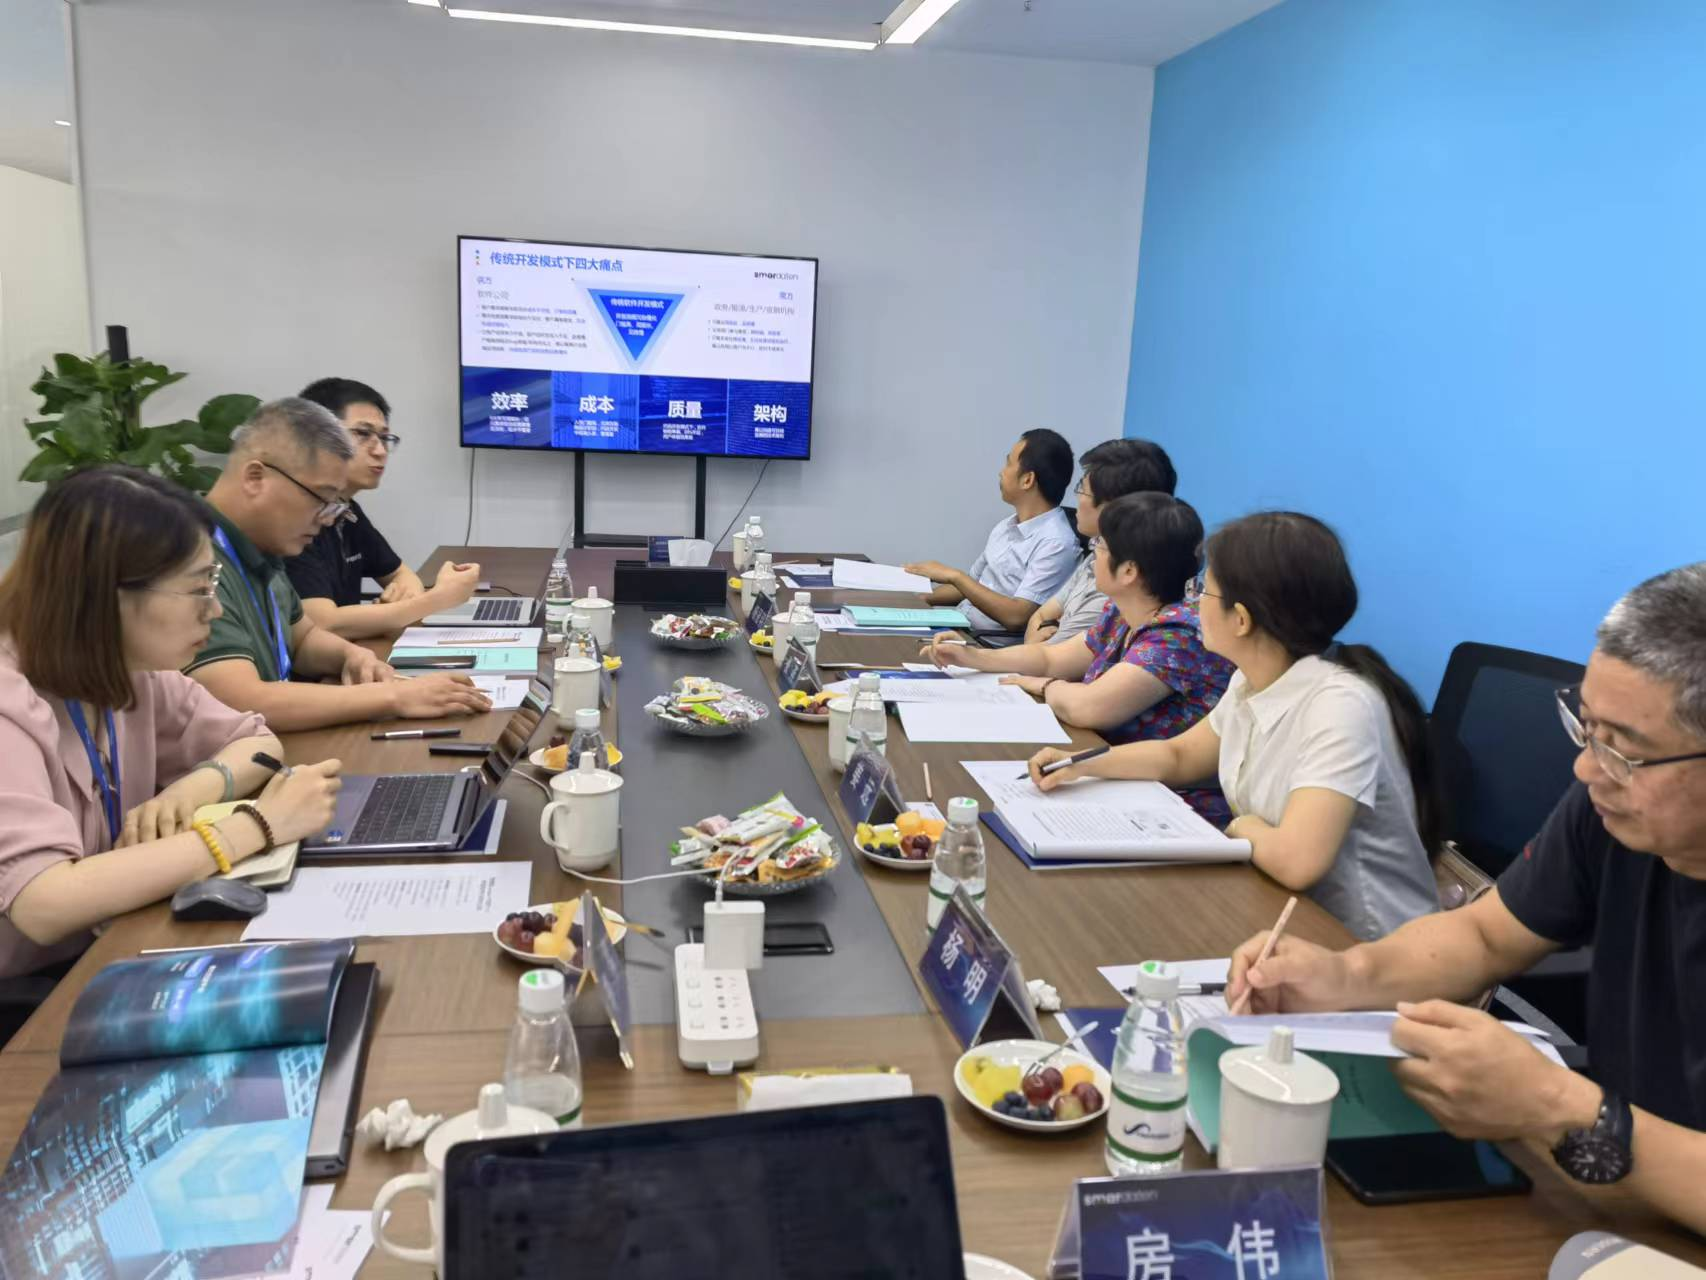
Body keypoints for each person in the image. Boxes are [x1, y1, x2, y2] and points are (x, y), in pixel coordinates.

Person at [1224, 563, 1706, 1233]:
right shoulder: (1609, 812)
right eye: (1587, 727)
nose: (1587, 767)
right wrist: (1345, 975)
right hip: (1618, 1202)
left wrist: (1558, 1105)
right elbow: (1484, 935)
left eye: (1625, 749)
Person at [1027, 512, 1440, 940]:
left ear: (1240, 619)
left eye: (1203, 590)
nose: (1193, 601)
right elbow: (1179, 755)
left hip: (1361, 941)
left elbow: (1298, 861)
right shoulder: (1252, 678)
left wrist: (1241, 827)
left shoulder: (1340, 705)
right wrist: (1082, 764)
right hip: (1274, 907)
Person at [0, 467, 343, 982]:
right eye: (199, 588)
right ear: (106, 595)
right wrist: (257, 826)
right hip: (29, 994)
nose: (216, 609)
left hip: (108, 946)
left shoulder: (134, 670)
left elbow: (256, 741)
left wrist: (193, 789)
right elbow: (43, 903)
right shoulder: (9, 701)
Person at [187, 398, 491, 732]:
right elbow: (242, 701)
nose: (327, 519)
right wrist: (395, 696)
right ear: (255, 478)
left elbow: (302, 639)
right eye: (321, 499)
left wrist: (351, 656)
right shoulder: (188, 558)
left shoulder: (262, 546)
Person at [923, 493, 1233, 820]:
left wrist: (1045, 686)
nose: (1093, 551)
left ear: (1129, 571)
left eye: (1101, 545)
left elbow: (1089, 708)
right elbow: (1051, 658)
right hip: (1108, 769)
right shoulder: (1122, 609)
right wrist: (974, 658)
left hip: (1165, 801)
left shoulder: (1176, 634)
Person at [289, 377, 482, 639]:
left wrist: (402, 601)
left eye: (384, 437)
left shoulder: (346, 509)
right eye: (363, 434)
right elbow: (323, 624)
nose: (380, 451)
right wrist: (438, 599)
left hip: (348, 653)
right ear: (315, 437)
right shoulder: (291, 517)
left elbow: (401, 575)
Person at [905, 429, 1081, 632]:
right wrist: (921, 599)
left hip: (986, 643)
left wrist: (955, 576)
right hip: (958, 627)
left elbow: (1017, 616)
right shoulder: (1006, 526)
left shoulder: (1056, 543)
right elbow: (971, 586)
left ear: (1027, 480)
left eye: (1008, 463)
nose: (1001, 472)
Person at [1024, 438, 1178, 645]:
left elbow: (1050, 655)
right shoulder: (1098, 553)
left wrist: (1039, 641)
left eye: (1082, 489)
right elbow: (1040, 616)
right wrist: (1040, 633)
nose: (1077, 497)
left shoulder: (1119, 587)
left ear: (1114, 507)